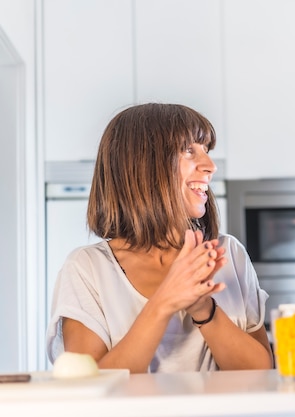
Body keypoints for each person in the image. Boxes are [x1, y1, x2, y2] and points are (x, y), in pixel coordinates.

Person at [46, 103, 273, 372]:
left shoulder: (229, 253)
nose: (210, 166)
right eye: (189, 150)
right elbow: (92, 389)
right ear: (143, 166)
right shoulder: (88, 268)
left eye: (206, 151)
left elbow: (261, 373)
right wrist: (166, 300)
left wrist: (203, 309)